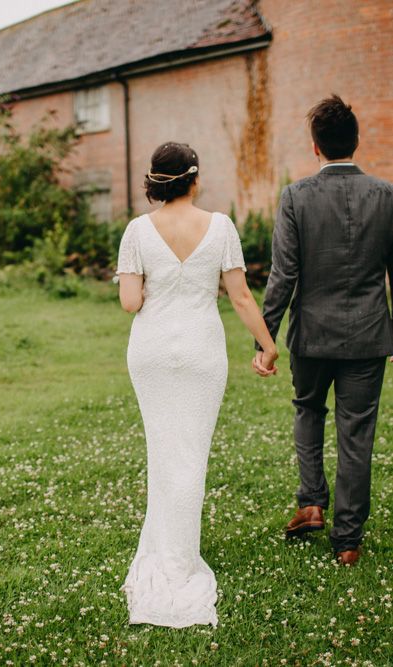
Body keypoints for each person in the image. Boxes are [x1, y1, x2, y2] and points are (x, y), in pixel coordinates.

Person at [115, 141, 278, 628]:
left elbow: (129, 302)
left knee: (163, 449)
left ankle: (169, 554)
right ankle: (179, 561)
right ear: (194, 178)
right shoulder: (222, 226)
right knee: (191, 453)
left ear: (154, 181)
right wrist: (267, 346)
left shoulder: (137, 231)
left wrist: (150, 281)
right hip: (203, 353)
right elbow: (242, 297)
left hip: (152, 353)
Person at [252, 94, 393, 566]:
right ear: (357, 141)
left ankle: (311, 501)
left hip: (311, 335)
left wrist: (265, 339)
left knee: (308, 410)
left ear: (315, 148)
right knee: (358, 433)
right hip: (370, 336)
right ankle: (348, 542)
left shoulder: (296, 196)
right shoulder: (387, 195)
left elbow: (283, 275)